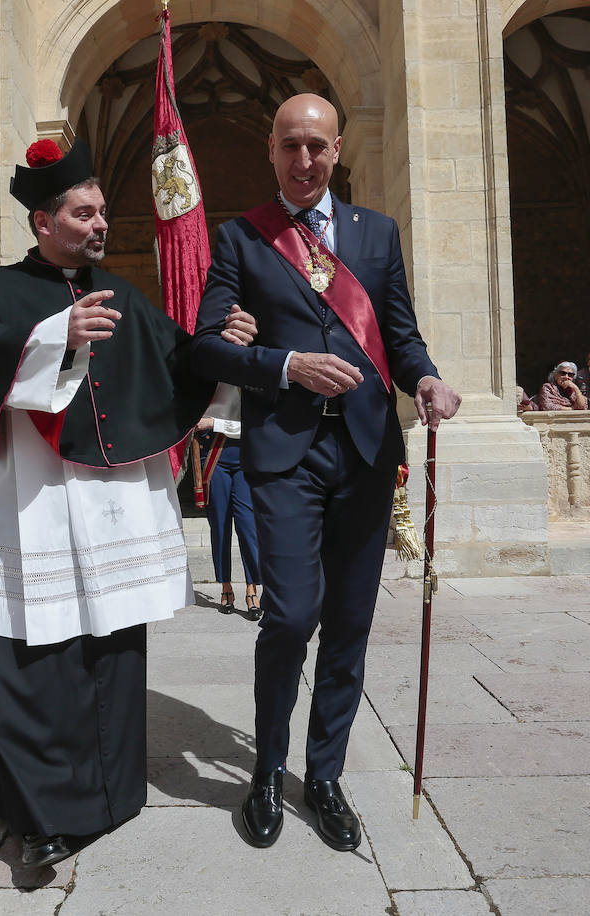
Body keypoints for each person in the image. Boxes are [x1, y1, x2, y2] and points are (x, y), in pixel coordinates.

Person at [0, 137, 252, 869]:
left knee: (112, 648)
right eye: (83, 213)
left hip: (110, 506)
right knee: (37, 656)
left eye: (102, 212)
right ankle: (40, 815)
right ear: (43, 222)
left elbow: (180, 362)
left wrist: (230, 345)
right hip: (39, 503)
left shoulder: (121, 293)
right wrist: (56, 334)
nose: (99, 224)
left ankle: (114, 795)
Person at [192, 93, 461, 853]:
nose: (303, 161)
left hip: (369, 455)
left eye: (316, 146)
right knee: (290, 616)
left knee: (349, 622)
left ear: (337, 149)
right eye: (289, 147)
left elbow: (401, 338)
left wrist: (429, 381)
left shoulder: (377, 234)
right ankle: (268, 772)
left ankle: (328, 776)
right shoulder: (244, 239)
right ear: (270, 151)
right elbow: (206, 345)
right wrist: (283, 364)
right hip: (285, 455)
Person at [196, 388, 262, 620]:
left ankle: (252, 588)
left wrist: (214, 422)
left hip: (246, 456)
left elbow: (260, 422)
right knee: (220, 525)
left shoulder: (254, 363)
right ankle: (226, 586)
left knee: (247, 525)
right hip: (215, 454)